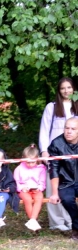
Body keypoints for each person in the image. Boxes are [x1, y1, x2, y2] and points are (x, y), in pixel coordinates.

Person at [39, 77, 78, 231]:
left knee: (70, 187)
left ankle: (70, 221)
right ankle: (56, 222)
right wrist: (44, 151)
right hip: (55, 151)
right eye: (63, 88)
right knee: (54, 185)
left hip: (73, 153)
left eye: (69, 87)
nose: (66, 91)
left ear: (74, 89)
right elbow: (44, 129)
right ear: (59, 90)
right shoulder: (52, 107)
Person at [46, 117, 78, 241]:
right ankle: (76, 228)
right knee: (67, 200)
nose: (69, 131)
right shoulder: (56, 144)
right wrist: (54, 193)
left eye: (73, 129)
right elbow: (53, 169)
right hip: (66, 182)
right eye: (67, 128)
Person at [14, 144, 47, 231]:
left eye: (33, 162)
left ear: (37, 159)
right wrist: (22, 188)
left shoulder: (41, 169)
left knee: (39, 198)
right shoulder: (18, 169)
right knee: (27, 199)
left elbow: (42, 182)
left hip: (36, 189)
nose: (30, 164)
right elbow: (16, 182)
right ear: (23, 159)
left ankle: (32, 220)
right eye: (28, 162)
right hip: (24, 190)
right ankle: (33, 221)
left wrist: (39, 188)